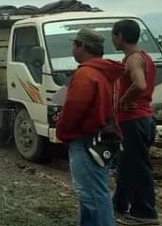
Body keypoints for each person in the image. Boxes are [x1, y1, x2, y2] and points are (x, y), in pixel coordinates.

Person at [56, 28, 125, 226]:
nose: (72, 50)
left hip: (86, 141)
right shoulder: (109, 73)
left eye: (74, 45)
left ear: (83, 46)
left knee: (94, 196)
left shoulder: (86, 73)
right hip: (103, 140)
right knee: (93, 193)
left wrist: (62, 131)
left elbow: (74, 108)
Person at [111, 19, 159, 226]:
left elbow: (139, 85)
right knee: (126, 165)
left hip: (134, 119)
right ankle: (119, 204)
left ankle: (145, 213)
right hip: (141, 118)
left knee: (138, 167)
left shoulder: (133, 59)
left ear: (120, 36)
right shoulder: (145, 57)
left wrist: (123, 101)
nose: (112, 40)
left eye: (113, 35)